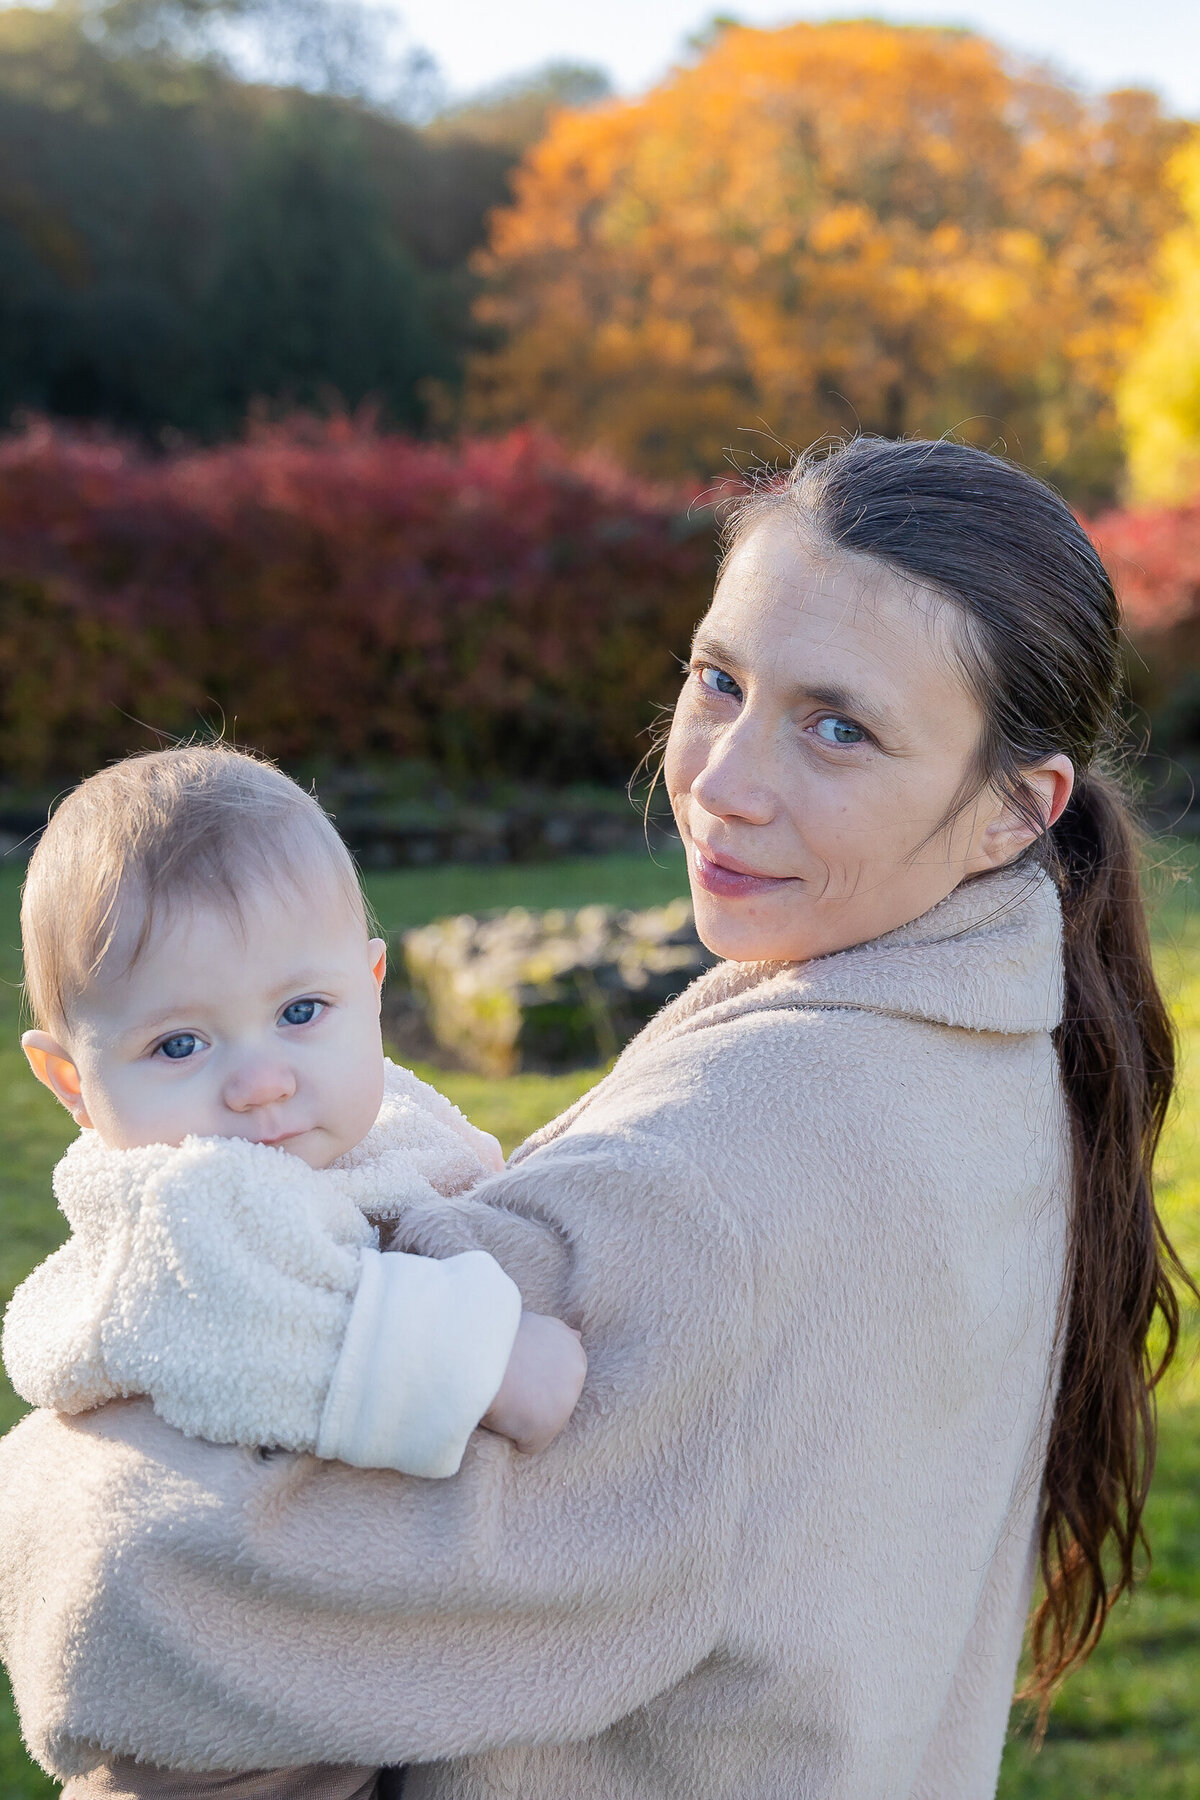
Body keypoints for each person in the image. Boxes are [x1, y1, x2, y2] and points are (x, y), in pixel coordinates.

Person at [0, 436, 1191, 1800]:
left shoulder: (711, 1190)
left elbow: (164, 1597)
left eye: (838, 727)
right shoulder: (1001, 1053)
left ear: (1008, 812)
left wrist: (30, 1497)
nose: (724, 778)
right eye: (719, 680)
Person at [0, 746, 587, 1800]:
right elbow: (259, 1323)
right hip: (213, 1746)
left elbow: (446, 1189)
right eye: (180, 1045)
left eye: (302, 1013)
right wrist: (490, 1359)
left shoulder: (370, 1121)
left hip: (329, 1659)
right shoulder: (180, 1212)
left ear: (370, 988)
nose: (261, 1082)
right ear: (70, 1082)